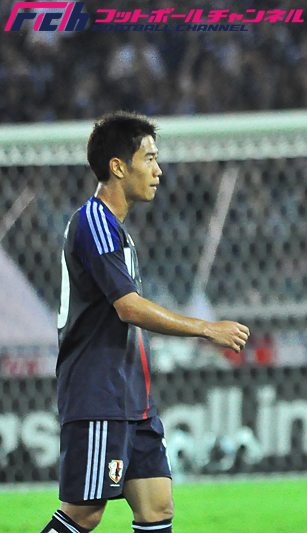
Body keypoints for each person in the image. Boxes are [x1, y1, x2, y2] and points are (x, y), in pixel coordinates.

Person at [39, 111, 250, 533]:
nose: (158, 170)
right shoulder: (94, 222)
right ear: (118, 167)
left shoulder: (116, 230)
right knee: (84, 513)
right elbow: (129, 308)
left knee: (157, 507)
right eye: (149, 158)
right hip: (99, 394)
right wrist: (206, 328)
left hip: (131, 398)